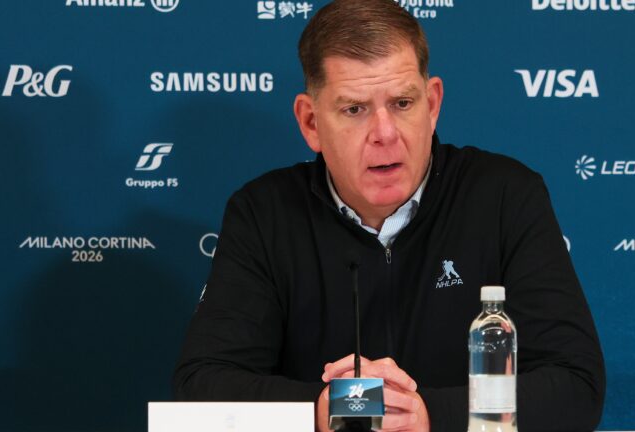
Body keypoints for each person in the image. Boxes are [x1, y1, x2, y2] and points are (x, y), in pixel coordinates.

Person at [173, 0, 606, 431]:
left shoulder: (505, 196)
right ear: (311, 123)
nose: (384, 133)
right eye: (354, 109)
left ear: (432, 105)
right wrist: (337, 406)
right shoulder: (263, 213)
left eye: (402, 103)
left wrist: (430, 415)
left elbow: (576, 386)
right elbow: (200, 387)